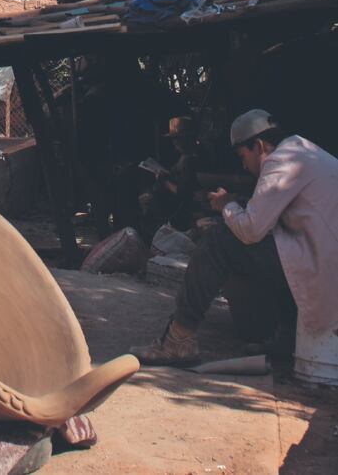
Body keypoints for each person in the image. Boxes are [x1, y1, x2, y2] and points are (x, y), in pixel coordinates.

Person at [130, 109, 338, 365]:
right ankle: (287, 340)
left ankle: (178, 340)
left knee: (219, 242)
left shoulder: (281, 161)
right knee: (280, 248)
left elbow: (251, 229)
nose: (243, 165)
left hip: (324, 266)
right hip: (322, 258)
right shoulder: (304, 152)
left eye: (243, 156)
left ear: (259, 145)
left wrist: (227, 205)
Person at [140, 116, 202, 237]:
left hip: (175, 212)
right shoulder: (185, 157)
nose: (174, 143)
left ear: (186, 139)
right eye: (173, 139)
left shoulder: (189, 159)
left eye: (177, 139)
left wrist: (165, 182)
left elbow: (184, 192)